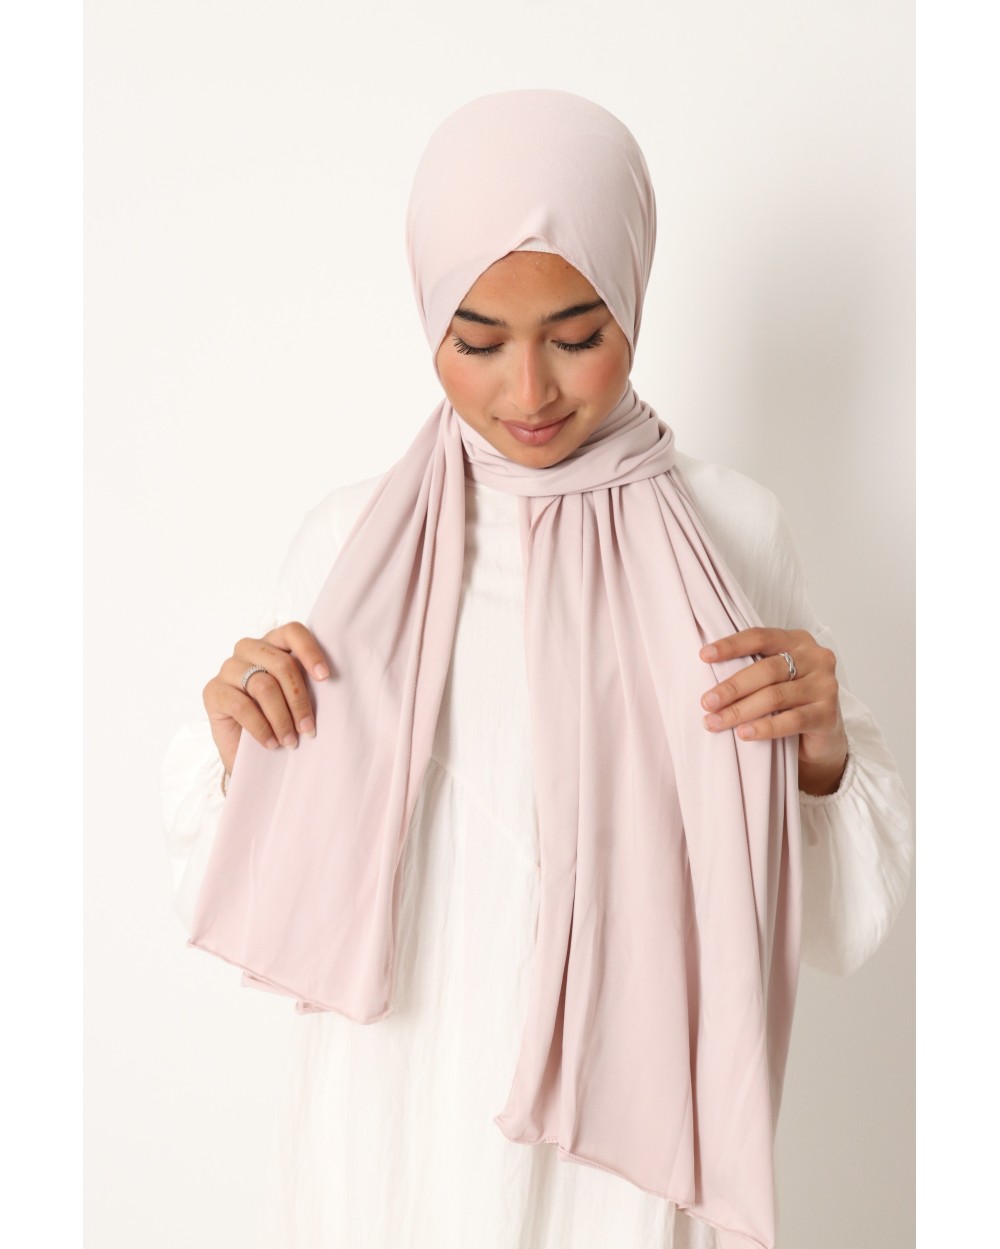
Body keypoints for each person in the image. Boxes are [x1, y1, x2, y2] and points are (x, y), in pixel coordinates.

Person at [161, 89, 913, 1249]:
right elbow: (253, 897)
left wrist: (819, 760)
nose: (529, 393)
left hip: (619, 1176)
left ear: (633, 298)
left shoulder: (733, 536)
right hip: (396, 1131)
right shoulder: (349, 547)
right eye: (476, 342)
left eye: (575, 335)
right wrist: (236, 753)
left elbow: (837, 926)